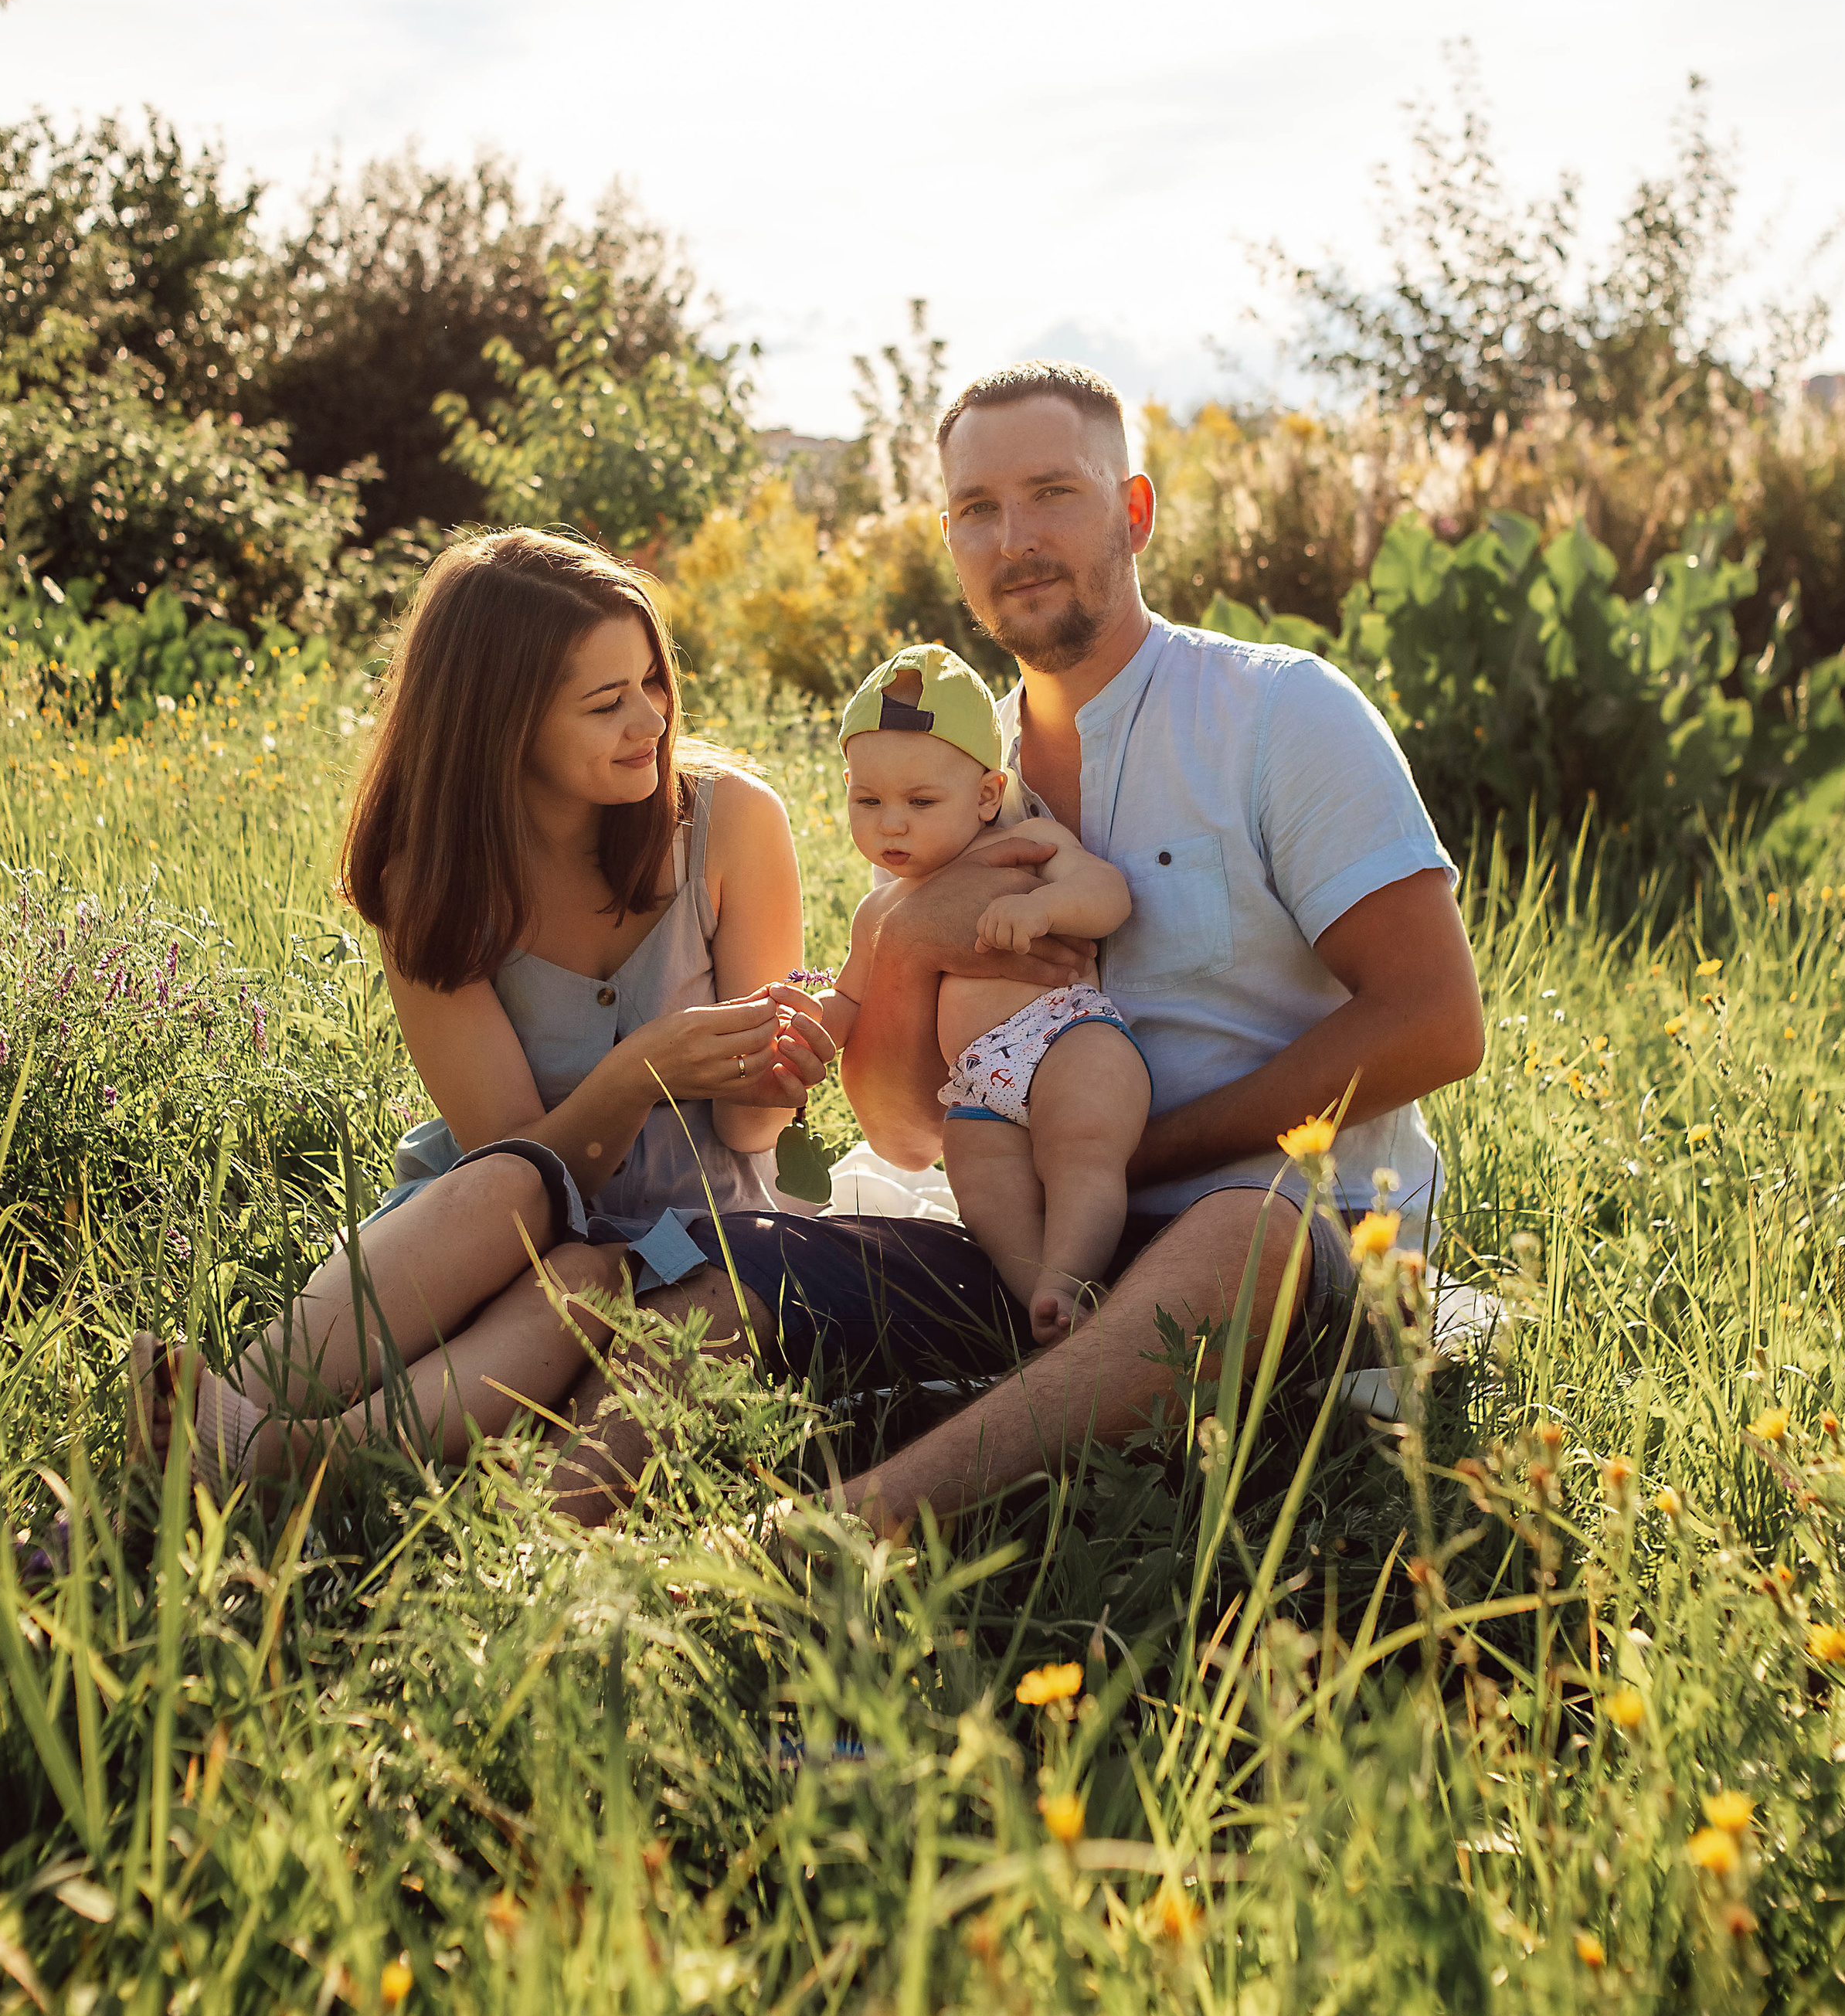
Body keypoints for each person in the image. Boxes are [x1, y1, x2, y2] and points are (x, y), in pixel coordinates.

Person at [686, 359, 1486, 1535]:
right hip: (1021, 1239)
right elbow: (909, 1133)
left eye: (1053, 491)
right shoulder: (946, 781)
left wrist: (1133, 1157)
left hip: (1264, 1234)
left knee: (1241, 1233)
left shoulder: (1279, 714)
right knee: (713, 1270)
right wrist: (903, 943)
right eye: (976, 510)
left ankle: (849, 1529)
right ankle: (552, 1572)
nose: (1015, 537)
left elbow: (1436, 1020)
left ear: (1136, 511)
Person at [126, 529, 832, 1518]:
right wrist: (635, 1073)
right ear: (505, 724)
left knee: (592, 1279)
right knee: (530, 1209)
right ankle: (213, 1426)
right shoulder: (435, 875)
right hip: (504, 1216)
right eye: (605, 702)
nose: (650, 721)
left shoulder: (731, 823)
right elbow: (524, 1166)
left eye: (651, 683)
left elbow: (754, 1138)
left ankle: (289, 1461)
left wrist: (777, 1081)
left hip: (704, 1224)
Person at [812, 640, 1148, 1345]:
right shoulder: (881, 913)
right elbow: (850, 1000)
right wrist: (810, 1025)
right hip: (976, 1085)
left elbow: (1107, 893)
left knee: (1081, 1148)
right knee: (985, 1193)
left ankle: (1073, 1271)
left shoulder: (1029, 842)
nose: (891, 823)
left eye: (920, 801)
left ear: (988, 794)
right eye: (866, 799)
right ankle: (1044, 1303)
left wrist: (1044, 910)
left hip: (1067, 1038)